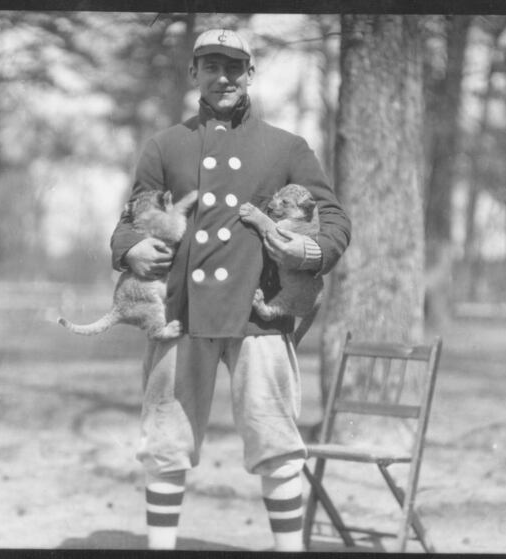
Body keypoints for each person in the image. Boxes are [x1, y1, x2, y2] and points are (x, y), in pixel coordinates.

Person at [109, 28, 351, 551]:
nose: (223, 77)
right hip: (181, 314)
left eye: (235, 67)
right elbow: (133, 217)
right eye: (212, 66)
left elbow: (333, 221)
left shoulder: (287, 147)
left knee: (275, 441)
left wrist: (306, 253)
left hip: (258, 316)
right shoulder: (165, 145)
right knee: (166, 442)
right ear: (194, 73)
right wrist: (130, 248)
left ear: (250, 75)